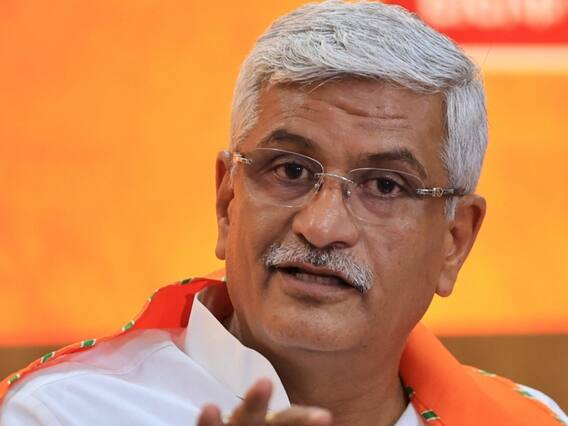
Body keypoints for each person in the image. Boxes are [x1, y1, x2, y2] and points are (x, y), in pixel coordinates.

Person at [1, 1, 566, 425]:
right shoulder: (64, 413)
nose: (321, 226)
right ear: (227, 201)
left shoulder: (526, 421)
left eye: (384, 185)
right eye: (291, 170)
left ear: (454, 242)